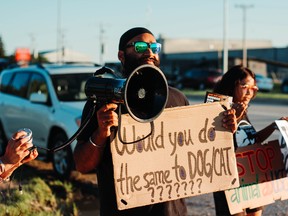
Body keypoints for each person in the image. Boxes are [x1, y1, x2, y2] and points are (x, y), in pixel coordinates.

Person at [73, 27, 237, 216]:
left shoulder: (177, 98)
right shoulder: (104, 101)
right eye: (141, 46)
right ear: (121, 55)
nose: (150, 52)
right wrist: (100, 133)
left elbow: (199, 154)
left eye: (154, 47)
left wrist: (224, 129)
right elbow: (82, 165)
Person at [212, 65, 288, 216]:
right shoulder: (217, 108)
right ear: (232, 84)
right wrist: (237, 115)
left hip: (252, 178)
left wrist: (273, 125)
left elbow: (252, 140)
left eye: (254, 88)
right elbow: (220, 141)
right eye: (246, 86)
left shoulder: (242, 108)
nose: (250, 92)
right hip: (231, 181)